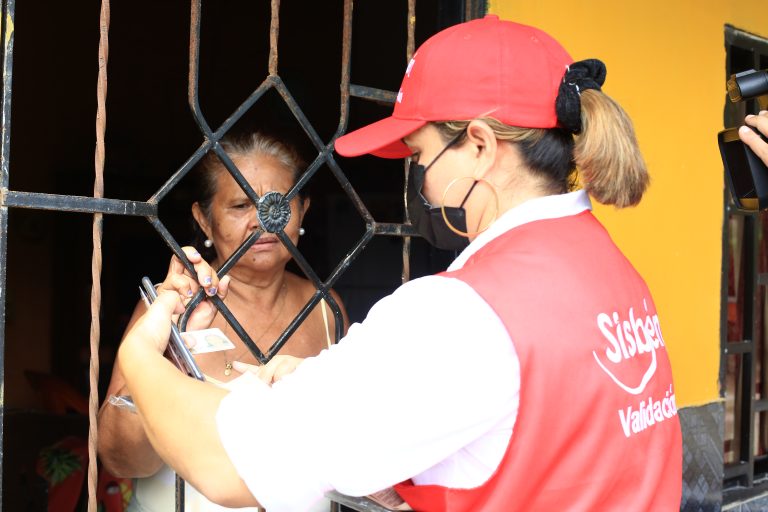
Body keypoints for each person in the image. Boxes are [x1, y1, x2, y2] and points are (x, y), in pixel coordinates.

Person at [116, 15, 682, 511]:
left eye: (419, 154)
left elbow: (226, 463)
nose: (420, 182)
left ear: (480, 146)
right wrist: (330, 385)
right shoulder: (612, 269)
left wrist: (140, 352)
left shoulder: (465, 313)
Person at [98, 132, 348, 511]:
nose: (261, 221)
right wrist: (169, 362)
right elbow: (121, 460)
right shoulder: (171, 310)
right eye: (240, 205)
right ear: (205, 219)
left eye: (276, 203)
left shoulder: (327, 309)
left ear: (304, 210)